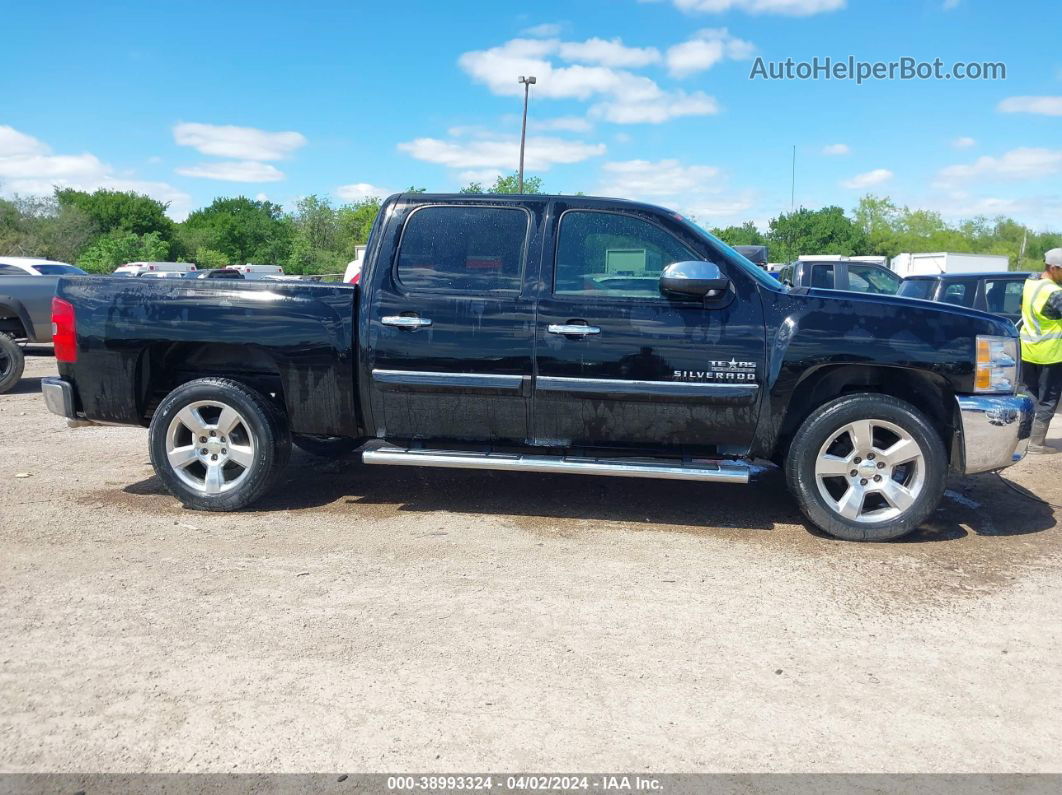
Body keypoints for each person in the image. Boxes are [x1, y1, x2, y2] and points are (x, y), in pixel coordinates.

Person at [1019, 247, 1062, 454]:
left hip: (1028, 350)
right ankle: (1036, 443)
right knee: (1049, 398)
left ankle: (1023, 438)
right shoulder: (1054, 293)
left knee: (1030, 394)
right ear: (1053, 268)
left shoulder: (1031, 283)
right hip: (1050, 354)